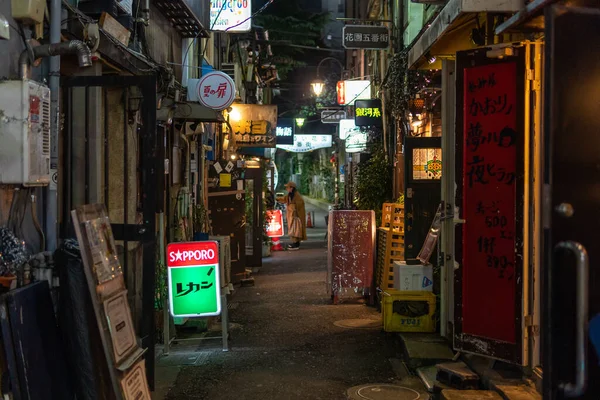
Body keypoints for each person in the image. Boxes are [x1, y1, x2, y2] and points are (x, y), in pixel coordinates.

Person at [284, 181, 306, 250]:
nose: (287, 189)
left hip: (295, 216)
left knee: (295, 229)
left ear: (292, 188)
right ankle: (294, 243)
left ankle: (296, 244)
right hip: (292, 215)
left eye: (288, 187)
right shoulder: (290, 195)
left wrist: (293, 207)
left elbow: (300, 203)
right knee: (293, 229)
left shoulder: (297, 195)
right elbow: (285, 199)